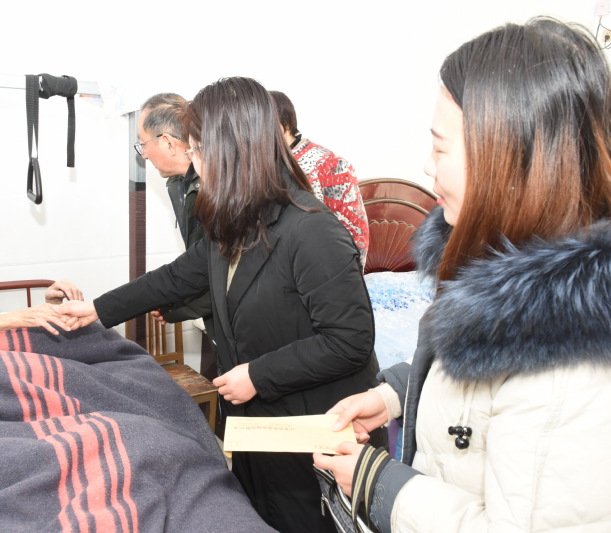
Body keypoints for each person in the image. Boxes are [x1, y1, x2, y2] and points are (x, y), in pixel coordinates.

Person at [313, 17, 611, 532]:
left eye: (440, 148)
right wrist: (394, 395)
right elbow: (473, 380)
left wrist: (374, 481)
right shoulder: (503, 266)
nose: (426, 167)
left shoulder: (571, 363)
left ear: (509, 158)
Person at [57, 76, 384, 533]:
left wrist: (257, 375)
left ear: (232, 152)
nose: (192, 161)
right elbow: (176, 277)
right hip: (256, 426)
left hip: (311, 431)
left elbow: (349, 341)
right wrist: (96, 309)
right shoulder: (235, 221)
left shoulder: (313, 231)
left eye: (197, 149)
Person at [135, 92, 217, 380]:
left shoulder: (217, 189)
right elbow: (198, 260)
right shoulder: (179, 184)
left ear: (168, 142)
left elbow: (223, 273)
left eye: (143, 143)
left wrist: (177, 308)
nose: (143, 154)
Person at [270, 90, 370, 264]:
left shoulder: (331, 165)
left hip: (321, 269)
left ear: (285, 124)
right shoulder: (266, 166)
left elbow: (355, 235)